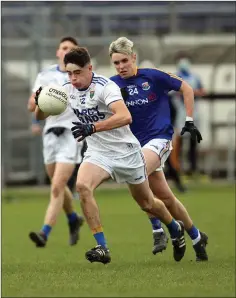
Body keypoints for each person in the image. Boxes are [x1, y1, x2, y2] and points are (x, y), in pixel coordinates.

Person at [34, 46, 186, 264]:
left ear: (90, 68)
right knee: (83, 186)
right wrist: (41, 102)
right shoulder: (67, 89)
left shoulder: (106, 87)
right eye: (69, 73)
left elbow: (125, 117)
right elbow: (41, 115)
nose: (73, 78)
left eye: (77, 73)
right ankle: (102, 247)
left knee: (147, 203)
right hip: (98, 153)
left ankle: (174, 227)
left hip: (126, 152)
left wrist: (93, 127)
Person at [109, 37, 208, 261]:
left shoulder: (153, 76)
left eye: (124, 60)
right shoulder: (112, 85)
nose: (121, 66)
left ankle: (158, 230)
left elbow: (187, 88)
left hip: (160, 140)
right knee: (166, 198)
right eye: (116, 63)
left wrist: (189, 120)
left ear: (133, 57)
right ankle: (196, 236)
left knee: (135, 171)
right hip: (136, 147)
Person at [27, 36, 84, 248]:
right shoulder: (46, 75)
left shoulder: (79, 77)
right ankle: (73, 219)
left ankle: (44, 232)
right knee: (57, 186)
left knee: (58, 186)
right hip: (50, 133)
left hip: (72, 134)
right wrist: (42, 98)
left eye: (70, 48)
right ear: (58, 52)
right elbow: (31, 106)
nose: (66, 51)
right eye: (63, 48)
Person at [170, 52, 206, 179]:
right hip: (181, 113)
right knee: (178, 142)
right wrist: (188, 92)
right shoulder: (176, 77)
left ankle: (193, 169)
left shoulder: (195, 77)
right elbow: (176, 92)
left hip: (194, 113)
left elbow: (202, 91)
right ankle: (178, 169)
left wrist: (191, 92)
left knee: (193, 141)